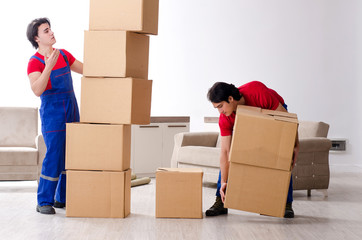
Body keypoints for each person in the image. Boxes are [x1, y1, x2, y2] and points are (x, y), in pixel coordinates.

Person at [205, 81, 299, 218]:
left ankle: (286, 203)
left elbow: (288, 121)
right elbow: (225, 152)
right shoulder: (225, 117)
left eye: (220, 106)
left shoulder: (257, 92)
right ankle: (221, 201)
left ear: (230, 99)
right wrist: (224, 181)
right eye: (216, 108)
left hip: (273, 110)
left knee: (283, 156)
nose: (220, 111)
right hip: (246, 117)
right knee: (232, 156)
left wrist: (295, 145)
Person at [26, 18, 83, 214]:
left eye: (50, 29)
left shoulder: (64, 55)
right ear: (37, 38)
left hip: (72, 109)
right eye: (46, 30)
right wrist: (48, 67)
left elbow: (88, 69)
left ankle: (62, 198)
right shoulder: (34, 62)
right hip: (53, 114)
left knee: (72, 154)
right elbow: (37, 89)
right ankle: (43, 201)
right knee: (54, 155)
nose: (51, 33)